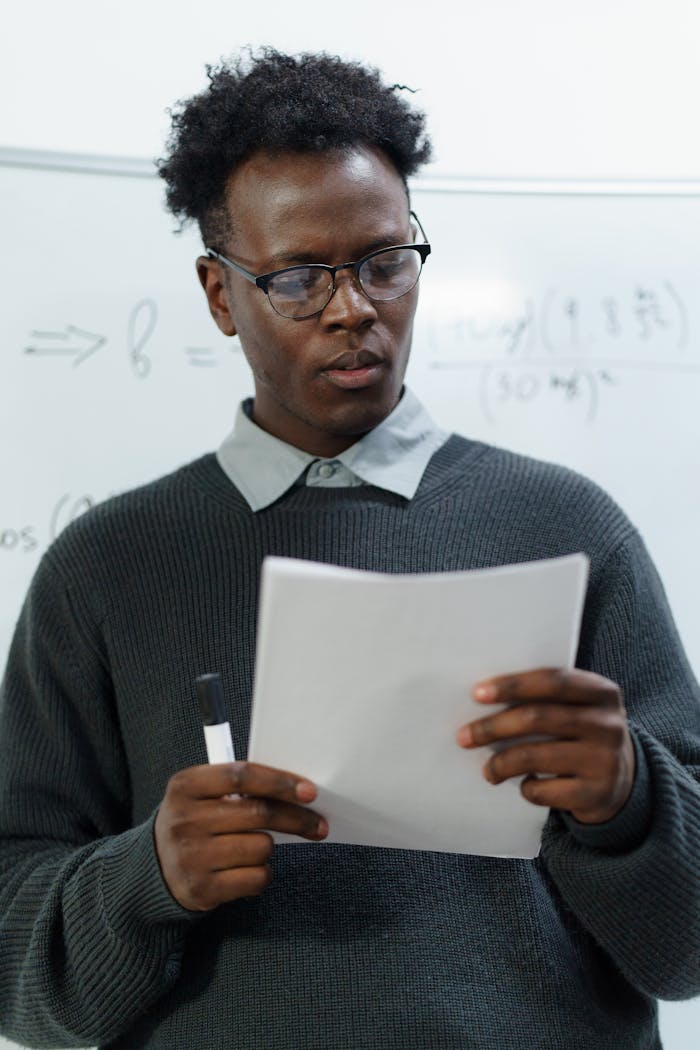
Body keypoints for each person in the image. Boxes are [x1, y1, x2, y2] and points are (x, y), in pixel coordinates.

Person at [1, 48, 699, 1050]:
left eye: (384, 261)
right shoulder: (105, 570)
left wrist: (627, 798)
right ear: (216, 292)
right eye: (297, 277)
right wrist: (147, 876)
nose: (353, 308)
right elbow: (13, 958)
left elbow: (685, 954)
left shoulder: (570, 530)